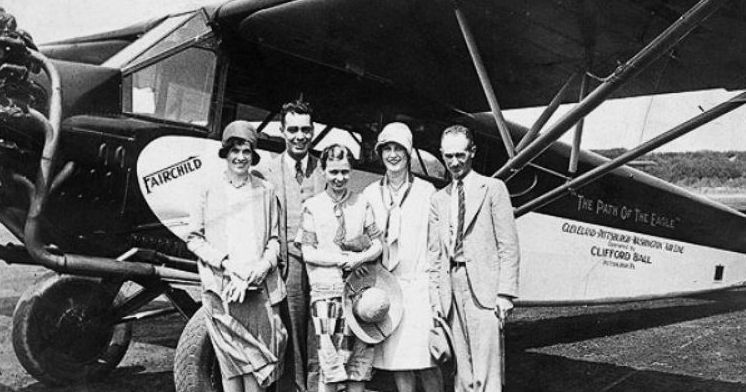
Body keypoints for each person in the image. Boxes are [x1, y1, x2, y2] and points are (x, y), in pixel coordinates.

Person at [186, 121, 287, 392]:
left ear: (253, 155)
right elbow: (193, 238)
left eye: (246, 151)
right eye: (235, 150)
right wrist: (227, 264)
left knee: (256, 373)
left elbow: (275, 240)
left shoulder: (265, 190)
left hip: (257, 293)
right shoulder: (207, 188)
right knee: (230, 373)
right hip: (223, 292)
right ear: (226, 152)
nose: (241, 157)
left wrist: (261, 268)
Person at [428, 125, 520, 392]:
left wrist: (505, 294)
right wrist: (435, 298)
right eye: (448, 156)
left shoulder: (493, 189)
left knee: (487, 369)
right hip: (450, 288)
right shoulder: (438, 199)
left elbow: (508, 246)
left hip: (485, 288)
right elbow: (435, 254)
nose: (454, 162)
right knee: (463, 371)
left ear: (472, 152)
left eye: (460, 155)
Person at [362, 122, 443, 392]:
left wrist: (436, 292)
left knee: (427, 360)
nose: (393, 155)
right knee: (399, 361)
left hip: (420, 287)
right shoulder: (371, 193)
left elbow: (436, 246)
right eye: (387, 148)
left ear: (409, 154)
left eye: (399, 149)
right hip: (388, 288)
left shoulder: (427, 192)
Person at [296, 144, 382, 392]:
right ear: (323, 171)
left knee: (357, 362)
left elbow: (378, 244)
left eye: (344, 171)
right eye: (333, 172)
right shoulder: (313, 205)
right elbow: (307, 251)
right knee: (330, 363)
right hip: (325, 292)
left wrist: (359, 259)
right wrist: (337, 259)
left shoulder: (361, 203)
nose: (339, 178)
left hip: (357, 293)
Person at [255, 99, 325, 392]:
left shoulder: (326, 170)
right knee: (292, 335)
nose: (300, 136)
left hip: (323, 268)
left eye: (305, 130)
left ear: (312, 132)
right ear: (282, 132)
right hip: (289, 267)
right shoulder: (267, 174)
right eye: (293, 129)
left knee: (321, 333)